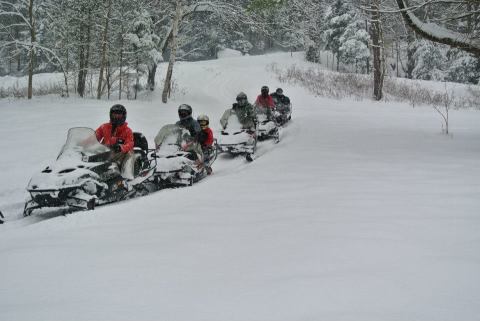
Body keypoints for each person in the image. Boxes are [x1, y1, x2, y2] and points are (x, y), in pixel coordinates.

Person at [95, 104, 135, 179]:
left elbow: (130, 143)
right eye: (114, 115)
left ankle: (127, 176)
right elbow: (94, 136)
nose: (116, 117)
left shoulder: (127, 131)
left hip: (118, 153)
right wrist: (84, 143)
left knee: (130, 153)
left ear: (123, 116)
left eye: (118, 116)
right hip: (104, 152)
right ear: (110, 115)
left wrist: (121, 147)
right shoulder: (104, 127)